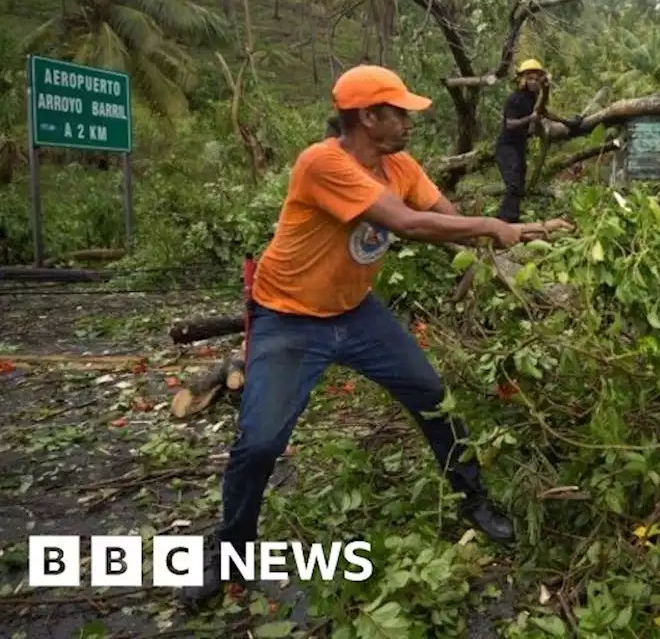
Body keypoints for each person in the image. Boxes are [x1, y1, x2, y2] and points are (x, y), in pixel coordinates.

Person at [182, 65, 571, 607]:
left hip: (356, 311)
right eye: (400, 112)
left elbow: (448, 220)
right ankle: (231, 549)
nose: (409, 122)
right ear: (368, 117)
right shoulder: (323, 163)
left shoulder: (401, 166)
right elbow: (409, 225)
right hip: (290, 317)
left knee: (433, 398)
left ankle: (472, 498)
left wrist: (521, 235)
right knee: (261, 442)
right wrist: (489, 226)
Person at [493, 59, 582, 223]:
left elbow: (545, 113)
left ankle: (512, 221)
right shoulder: (515, 99)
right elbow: (510, 124)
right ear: (523, 80)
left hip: (519, 147)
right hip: (506, 148)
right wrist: (529, 119)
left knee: (519, 186)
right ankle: (502, 222)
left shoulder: (532, 98)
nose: (533, 82)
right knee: (513, 184)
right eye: (530, 78)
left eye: (536, 79)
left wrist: (569, 122)